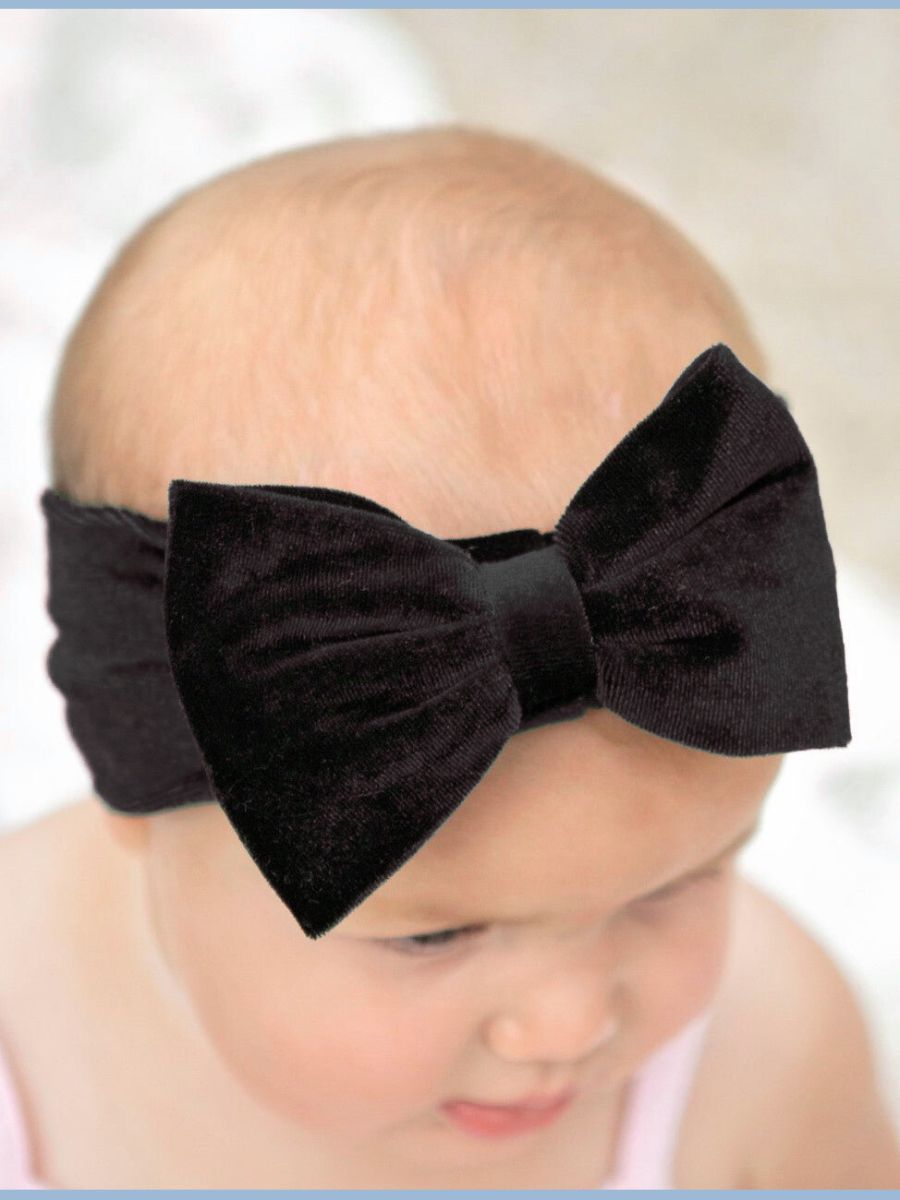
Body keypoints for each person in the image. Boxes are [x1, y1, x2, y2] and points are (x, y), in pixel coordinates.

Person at [1, 124, 899, 1190]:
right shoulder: (26, 1046)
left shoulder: (769, 1060)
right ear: (130, 780)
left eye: (673, 886)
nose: (567, 1024)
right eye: (435, 938)